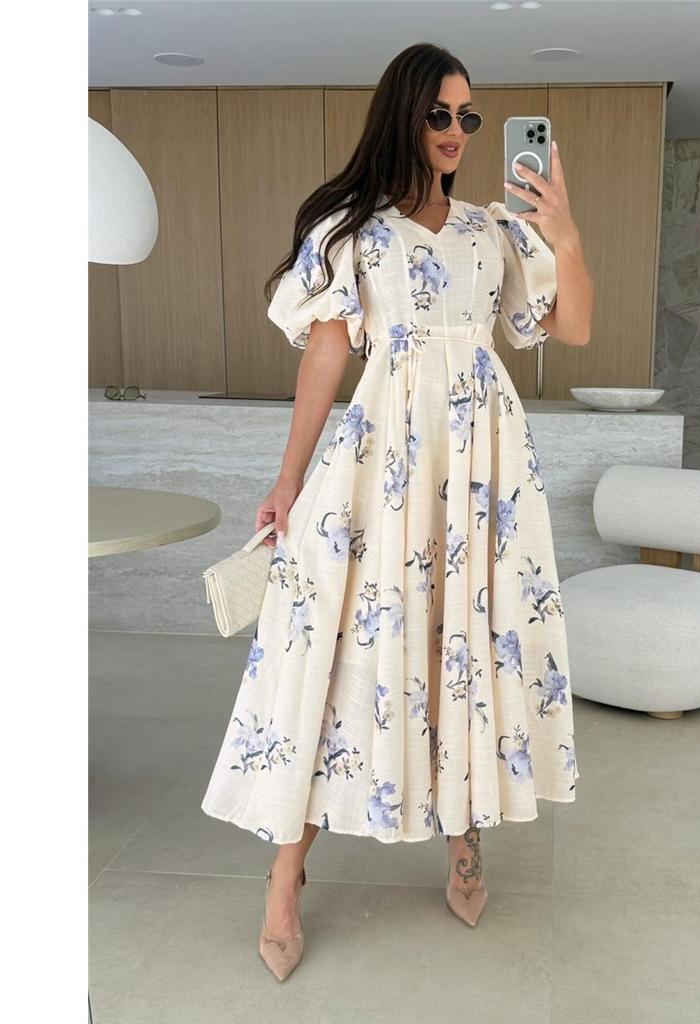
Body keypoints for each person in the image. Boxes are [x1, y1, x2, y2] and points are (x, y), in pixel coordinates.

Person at [200, 41, 594, 980]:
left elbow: (570, 329)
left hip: (484, 469)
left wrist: (566, 234)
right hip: (384, 462)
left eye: (470, 117)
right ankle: (285, 877)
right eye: (440, 114)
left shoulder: (496, 229)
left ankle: (465, 836)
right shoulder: (352, 230)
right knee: (340, 659)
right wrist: (288, 481)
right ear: (404, 115)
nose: (458, 131)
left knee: (468, 643)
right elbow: (326, 357)